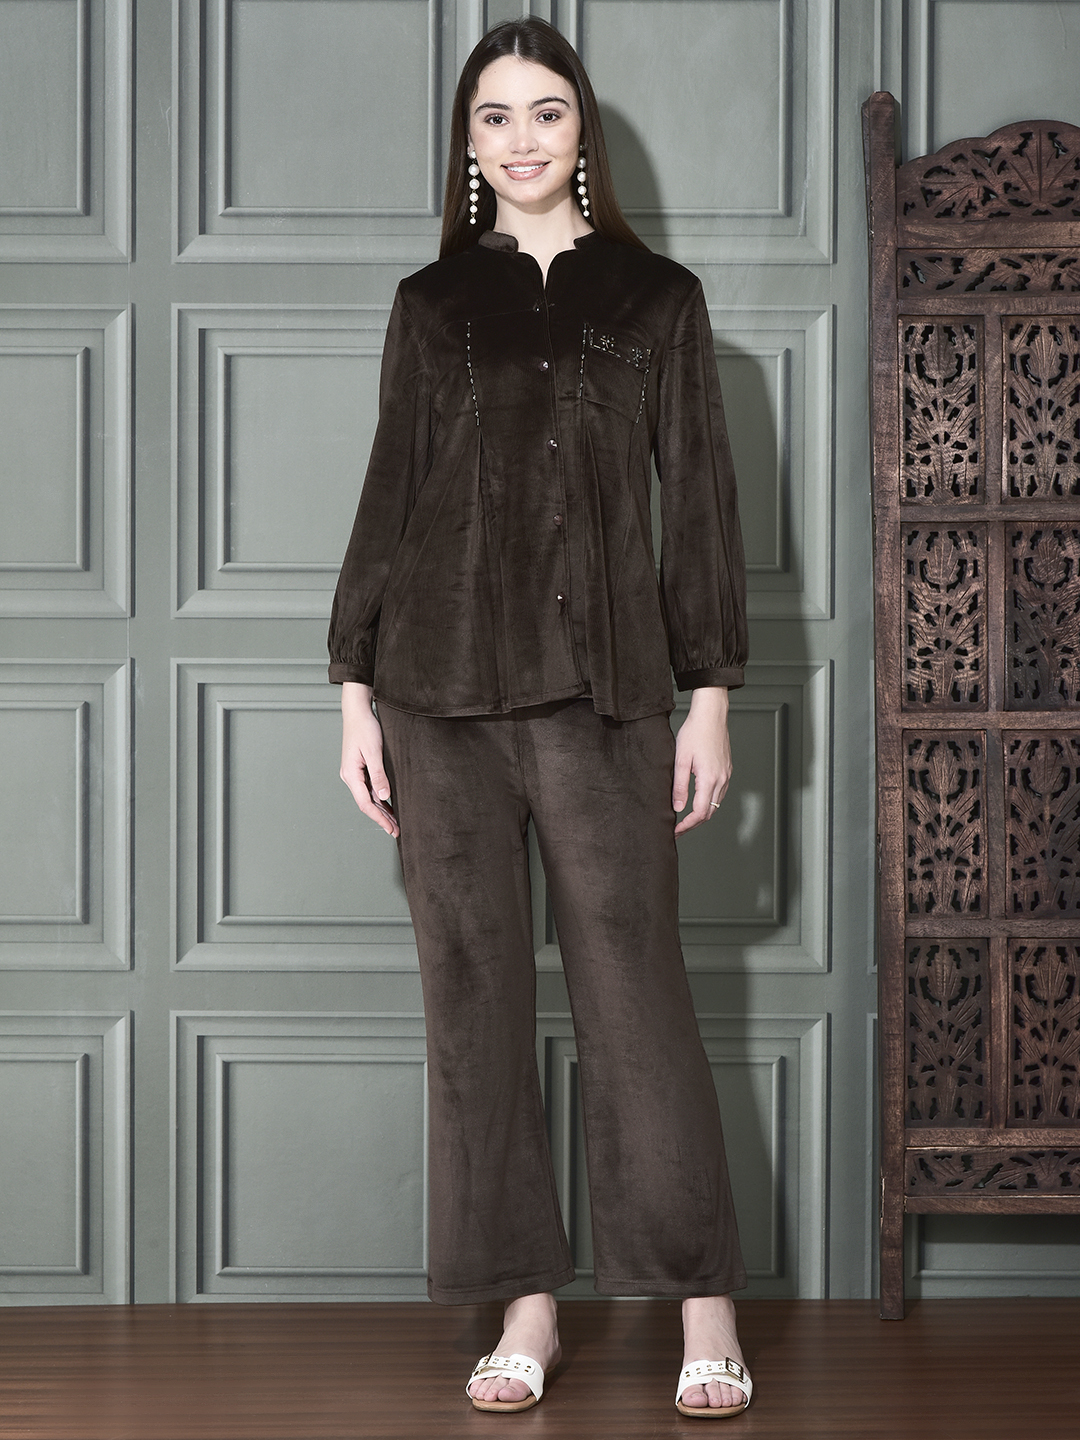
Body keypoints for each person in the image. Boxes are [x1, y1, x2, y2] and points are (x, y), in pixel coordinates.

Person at [329, 17, 751, 1420]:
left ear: (584, 130)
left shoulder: (659, 302)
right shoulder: (431, 305)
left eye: (547, 112)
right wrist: (354, 694)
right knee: (474, 1004)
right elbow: (389, 496)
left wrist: (708, 701)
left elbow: (698, 508)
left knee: (637, 997)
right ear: (468, 144)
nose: (522, 139)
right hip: (435, 695)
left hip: (607, 697)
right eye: (495, 117)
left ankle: (703, 1306)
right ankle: (526, 1309)